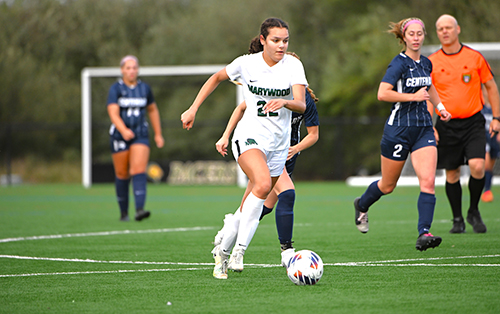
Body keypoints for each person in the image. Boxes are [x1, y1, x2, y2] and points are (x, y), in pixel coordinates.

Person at [181, 18, 308, 279]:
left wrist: (284, 102)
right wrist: (193, 108)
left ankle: (222, 252)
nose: (281, 45)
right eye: (275, 40)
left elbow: (302, 104)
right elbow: (216, 78)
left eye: (285, 40)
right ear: (263, 40)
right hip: (248, 138)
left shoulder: (293, 65)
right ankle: (240, 250)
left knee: (250, 205)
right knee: (262, 184)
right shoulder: (246, 64)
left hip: (278, 145)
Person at [213, 51, 319, 270]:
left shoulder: (304, 99)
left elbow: (314, 134)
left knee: (263, 207)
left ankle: (227, 234)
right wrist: (225, 136)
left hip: (284, 154)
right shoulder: (267, 88)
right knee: (287, 193)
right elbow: (241, 108)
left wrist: (296, 148)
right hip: (261, 148)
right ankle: (287, 252)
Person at [352, 17, 452, 251]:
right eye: (412, 34)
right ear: (404, 37)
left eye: (420, 34)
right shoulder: (398, 64)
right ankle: (362, 204)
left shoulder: (426, 63)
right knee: (388, 186)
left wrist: (441, 108)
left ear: (424, 35)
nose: (416, 38)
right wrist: (412, 97)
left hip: (423, 130)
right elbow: (382, 93)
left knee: (428, 182)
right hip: (398, 130)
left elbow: (430, 86)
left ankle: (424, 233)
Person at [428, 14, 500, 233]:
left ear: (457, 29)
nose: (445, 31)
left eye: (448, 27)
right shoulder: (431, 61)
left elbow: (491, 88)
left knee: (478, 166)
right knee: (452, 174)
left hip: (473, 123)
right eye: (440, 28)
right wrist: (429, 124)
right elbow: (428, 96)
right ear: (437, 32)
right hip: (446, 125)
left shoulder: (474, 57)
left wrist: (496, 117)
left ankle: (474, 211)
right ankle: (457, 219)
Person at [107, 55, 164, 222]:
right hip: (119, 135)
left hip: (140, 134)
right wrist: (123, 130)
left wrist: (158, 134)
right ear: (122, 70)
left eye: (134, 68)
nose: (131, 71)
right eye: (128, 68)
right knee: (122, 173)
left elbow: (152, 110)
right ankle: (123, 213)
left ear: (138, 70)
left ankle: (140, 209)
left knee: (138, 170)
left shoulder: (145, 88)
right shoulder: (115, 89)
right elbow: (113, 112)